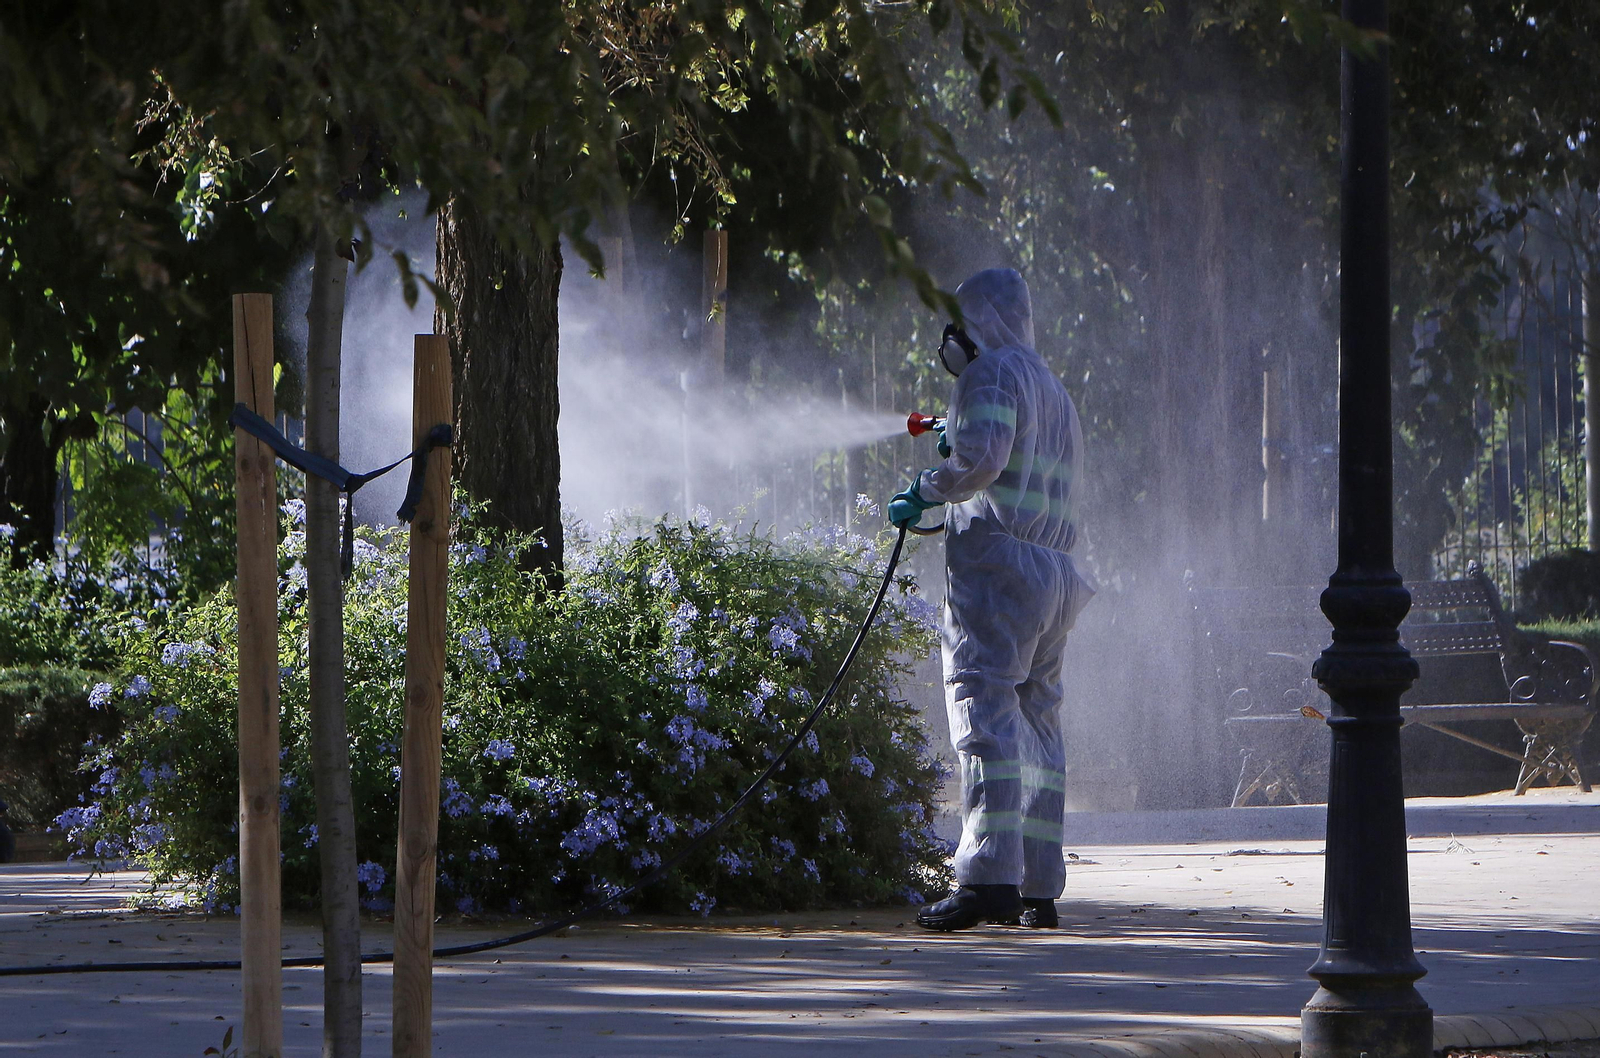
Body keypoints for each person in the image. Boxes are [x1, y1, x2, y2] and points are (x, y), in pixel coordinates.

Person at [888, 267, 1093, 931]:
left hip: (998, 571)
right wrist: (961, 440)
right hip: (1055, 575)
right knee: (1038, 723)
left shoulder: (991, 374)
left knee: (984, 715)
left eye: (959, 325)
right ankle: (1039, 885)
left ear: (982, 319)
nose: (952, 342)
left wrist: (926, 486)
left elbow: (982, 462)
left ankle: (987, 879)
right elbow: (1011, 456)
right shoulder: (1054, 389)